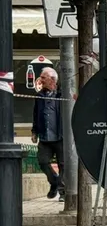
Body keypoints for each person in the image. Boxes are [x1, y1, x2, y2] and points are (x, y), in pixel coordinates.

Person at [31, 67, 65, 200]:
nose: (40, 80)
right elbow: (36, 114)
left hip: (61, 136)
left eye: (43, 77)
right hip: (45, 137)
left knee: (63, 164)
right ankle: (54, 182)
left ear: (52, 79)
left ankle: (63, 192)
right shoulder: (39, 96)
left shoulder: (61, 94)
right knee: (42, 161)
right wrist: (34, 131)